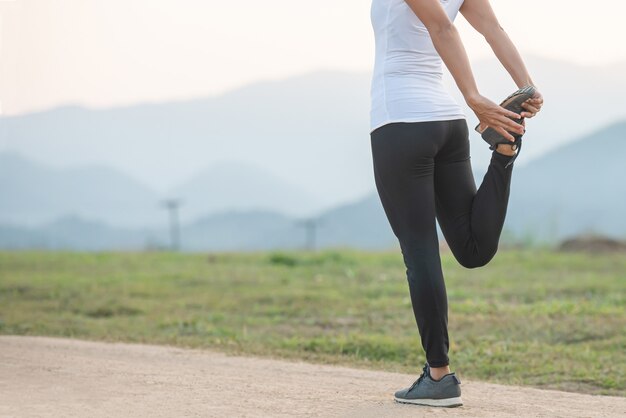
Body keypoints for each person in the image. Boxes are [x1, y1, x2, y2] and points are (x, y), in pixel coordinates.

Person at [369, 0, 543, 407]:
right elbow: (492, 29)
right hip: (448, 124)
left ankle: (439, 376)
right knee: (471, 248)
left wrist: (474, 96)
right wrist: (527, 88)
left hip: (401, 120)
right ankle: (502, 154)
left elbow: (442, 29)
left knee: (419, 249)